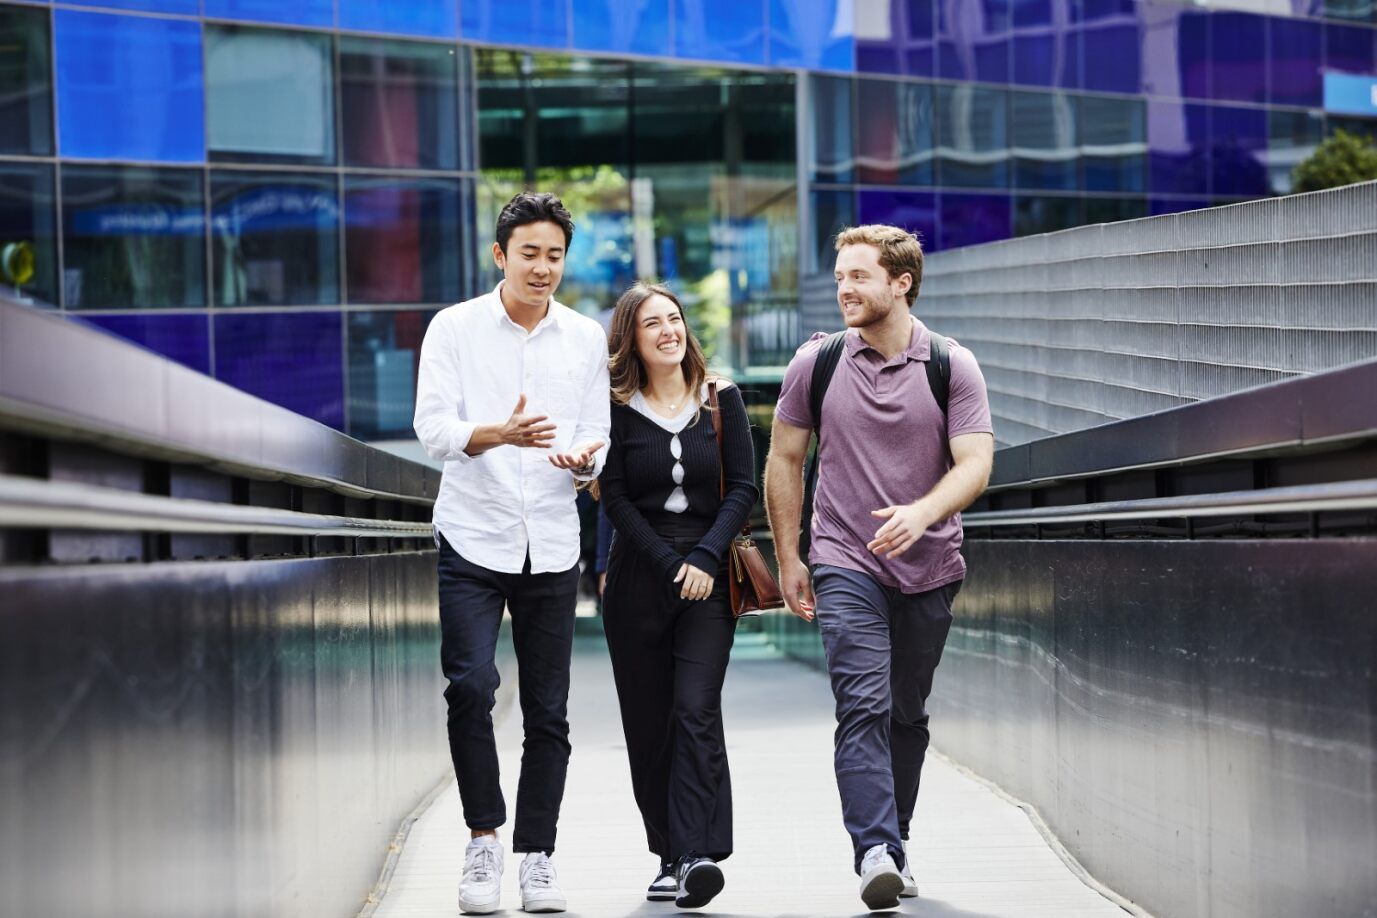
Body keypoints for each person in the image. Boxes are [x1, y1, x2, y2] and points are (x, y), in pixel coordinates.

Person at [763, 225, 994, 911]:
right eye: (839, 276)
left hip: (930, 564)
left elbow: (976, 462)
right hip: (843, 560)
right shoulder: (817, 363)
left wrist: (922, 513)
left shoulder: (951, 365)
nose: (843, 289)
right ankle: (874, 852)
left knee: (904, 713)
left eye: (858, 276)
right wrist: (788, 556)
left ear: (901, 283)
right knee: (860, 705)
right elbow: (783, 459)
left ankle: (895, 838)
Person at [413, 192, 610, 916]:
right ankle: (483, 839)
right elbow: (432, 428)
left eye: (554, 255)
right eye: (529, 253)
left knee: (548, 711)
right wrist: (501, 434)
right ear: (500, 256)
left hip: (553, 542)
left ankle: (537, 856)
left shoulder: (585, 337)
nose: (542, 267)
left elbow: (596, 431)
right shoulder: (454, 328)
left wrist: (587, 457)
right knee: (469, 687)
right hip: (473, 533)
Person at [597, 282, 758, 909]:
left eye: (675, 319)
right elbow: (612, 496)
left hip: (708, 572)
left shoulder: (722, 400)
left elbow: (742, 487)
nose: (668, 330)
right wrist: (668, 561)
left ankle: (695, 854)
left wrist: (702, 557)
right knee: (648, 722)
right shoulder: (613, 407)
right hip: (639, 575)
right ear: (631, 339)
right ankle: (666, 851)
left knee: (695, 707)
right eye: (651, 324)